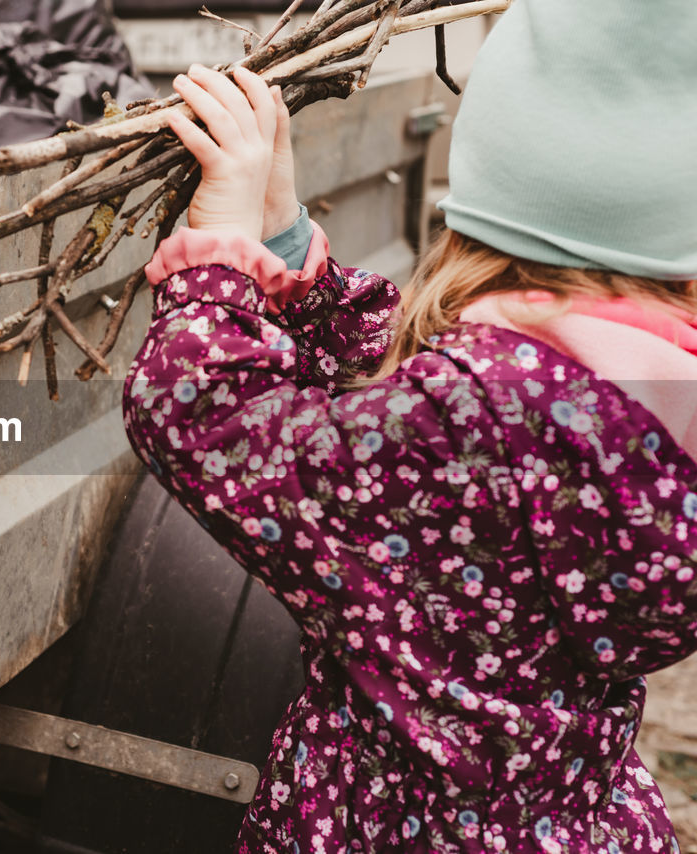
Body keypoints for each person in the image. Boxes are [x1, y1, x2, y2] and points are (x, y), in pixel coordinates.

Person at [121, 1, 697, 851]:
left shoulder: (471, 426)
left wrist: (221, 245)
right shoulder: (628, 400)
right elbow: (434, 379)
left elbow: (203, 418)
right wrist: (284, 240)